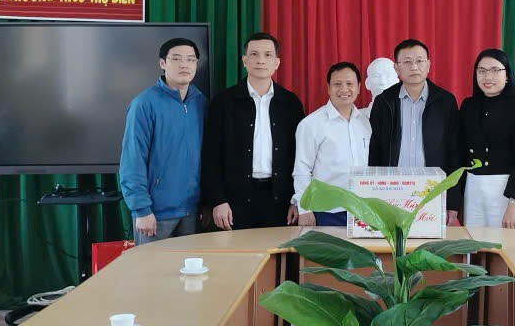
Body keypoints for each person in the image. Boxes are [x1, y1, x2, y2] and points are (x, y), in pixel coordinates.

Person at [202, 32, 304, 230]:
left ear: (277, 63)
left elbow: (301, 156)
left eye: (267, 55)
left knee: (278, 249)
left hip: (280, 201)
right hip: (233, 202)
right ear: (244, 60)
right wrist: (218, 200)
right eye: (254, 54)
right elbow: (210, 156)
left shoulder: (290, 103)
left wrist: (297, 200)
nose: (260, 60)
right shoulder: (224, 102)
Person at [118, 38, 206, 244]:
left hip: (192, 212)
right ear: (163, 63)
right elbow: (133, 159)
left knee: (191, 266)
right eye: (177, 59)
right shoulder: (144, 104)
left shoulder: (200, 103)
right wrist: (141, 209)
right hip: (155, 214)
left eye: (190, 59)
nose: (184, 64)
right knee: (152, 266)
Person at [368, 38, 463, 225]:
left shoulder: (445, 101)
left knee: (430, 241)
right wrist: (374, 195)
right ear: (396, 68)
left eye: (419, 61)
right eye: (407, 62)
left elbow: (454, 152)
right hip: (392, 190)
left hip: (433, 191)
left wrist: (453, 201)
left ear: (428, 65)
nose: (414, 67)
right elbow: (375, 151)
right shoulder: (384, 101)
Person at [292, 61, 372, 227]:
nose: (344, 89)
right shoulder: (311, 124)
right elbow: (302, 169)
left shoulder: (366, 123)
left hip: (364, 211)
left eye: (349, 84)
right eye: (337, 84)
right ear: (328, 88)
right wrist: (304, 209)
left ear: (358, 87)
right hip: (327, 212)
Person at [460, 48, 515, 229]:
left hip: (505, 190)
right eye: (482, 71)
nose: (487, 77)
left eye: (495, 70)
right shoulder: (468, 106)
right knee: (472, 243)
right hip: (473, 187)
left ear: (507, 76)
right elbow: (460, 152)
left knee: (506, 244)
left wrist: (514, 203)